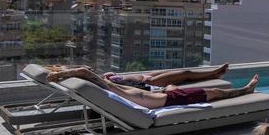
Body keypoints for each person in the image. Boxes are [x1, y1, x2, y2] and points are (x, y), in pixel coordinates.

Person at [47, 66, 260, 109]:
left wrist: (63, 74)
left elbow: (89, 75)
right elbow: (86, 73)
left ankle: (246, 89)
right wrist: (68, 73)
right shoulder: (113, 88)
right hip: (153, 99)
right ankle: (247, 90)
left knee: (175, 84)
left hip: (154, 97)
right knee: (216, 94)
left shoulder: (113, 91)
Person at [47, 63, 230, 90]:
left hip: (143, 76)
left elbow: (84, 70)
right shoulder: (91, 79)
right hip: (147, 82)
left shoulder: (96, 79)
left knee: (182, 75)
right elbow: (84, 70)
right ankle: (214, 73)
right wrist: (64, 73)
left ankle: (213, 73)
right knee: (185, 75)